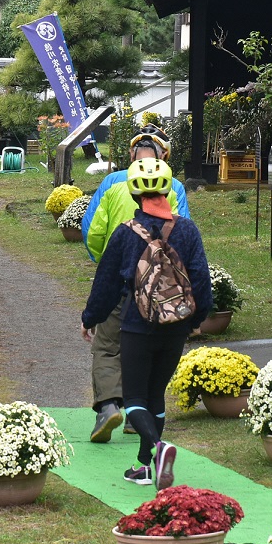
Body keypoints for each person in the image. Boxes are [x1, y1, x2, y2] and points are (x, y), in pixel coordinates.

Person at [80, 158, 210, 491]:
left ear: (135, 195)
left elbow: (107, 282)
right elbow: (200, 278)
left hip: (138, 324)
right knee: (156, 395)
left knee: (135, 396)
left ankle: (157, 449)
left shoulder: (126, 233)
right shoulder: (188, 230)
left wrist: (90, 318)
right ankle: (146, 467)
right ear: (167, 190)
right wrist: (197, 319)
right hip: (176, 325)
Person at [81, 125, 191, 443]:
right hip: (162, 293)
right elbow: (185, 240)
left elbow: (93, 230)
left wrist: (104, 261)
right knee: (148, 356)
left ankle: (108, 405)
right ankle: (138, 418)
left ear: (131, 156)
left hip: (122, 283)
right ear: (164, 157)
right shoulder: (176, 188)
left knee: (106, 347)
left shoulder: (111, 184)